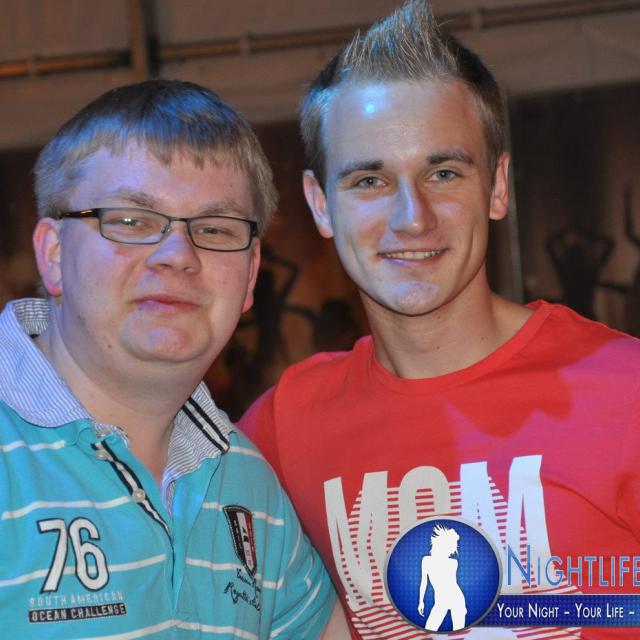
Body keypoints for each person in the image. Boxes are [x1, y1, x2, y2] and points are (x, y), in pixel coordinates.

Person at [239, 1, 640, 638]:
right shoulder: (283, 429)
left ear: (497, 186)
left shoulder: (626, 393)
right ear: (320, 205)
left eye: (444, 172)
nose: (412, 218)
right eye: (369, 181)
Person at [0, 79, 349, 639]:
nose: (178, 255)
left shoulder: (247, 485)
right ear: (54, 253)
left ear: (250, 276)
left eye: (214, 229)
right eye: (131, 221)